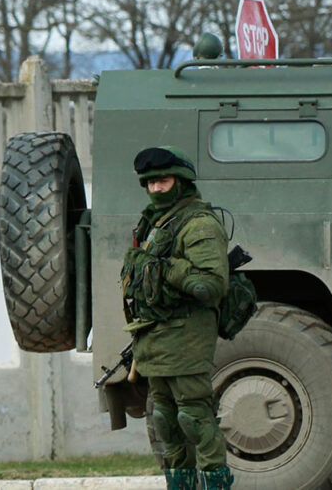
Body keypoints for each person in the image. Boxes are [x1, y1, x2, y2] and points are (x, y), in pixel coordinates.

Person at [121, 146, 233, 490]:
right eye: (151, 183)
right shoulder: (155, 222)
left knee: (195, 418)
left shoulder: (198, 223)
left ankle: (215, 483)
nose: (156, 189)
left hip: (185, 336)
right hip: (152, 337)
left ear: (181, 182)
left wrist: (165, 268)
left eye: (163, 181)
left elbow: (211, 284)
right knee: (166, 421)